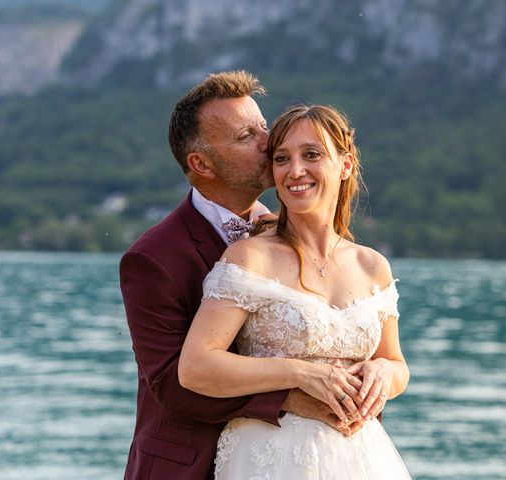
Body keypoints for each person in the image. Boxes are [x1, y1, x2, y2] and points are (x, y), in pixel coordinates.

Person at [119, 72, 353, 480]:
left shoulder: (290, 231)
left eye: (263, 127)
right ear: (201, 163)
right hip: (190, 467)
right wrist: (291, 398)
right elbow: (172, 386)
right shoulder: (152, 257)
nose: (269, 142)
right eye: (246, 136)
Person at [179, 104, 412, 478]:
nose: (295, 171)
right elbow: (196, 367)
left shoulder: (373, 266)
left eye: (312, 155)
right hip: (270, 458)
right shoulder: (249, 257)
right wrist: (300, 375)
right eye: (282, 158)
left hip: (361, 457)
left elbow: (398, 365)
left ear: (346, 165)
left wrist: (384, 372)